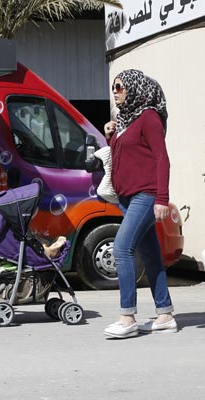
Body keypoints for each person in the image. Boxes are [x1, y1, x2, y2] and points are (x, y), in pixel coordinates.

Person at [102, 69, 176, 339]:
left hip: (146, 195)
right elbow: (125, 158)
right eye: (114, 87)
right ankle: (165, 314)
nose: (116, 92)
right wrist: (111, 137)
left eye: (120, 87)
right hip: (127, 196)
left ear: (134, 88)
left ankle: (127, 316)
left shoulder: (149, 117)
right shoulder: (125, 121)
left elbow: (162, 159)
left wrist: (162, 199)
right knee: (151, 255)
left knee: (122, 248)